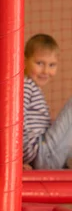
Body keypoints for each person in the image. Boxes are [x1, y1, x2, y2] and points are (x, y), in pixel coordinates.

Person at [23, 34, 72, 170]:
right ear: (24, 61)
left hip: (46, 155)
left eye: (52, 65)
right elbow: (17, 122)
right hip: (42, 154)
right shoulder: (25, 86)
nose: (45, 71)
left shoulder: (32, 87)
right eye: (39, 63)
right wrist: (20, 160)